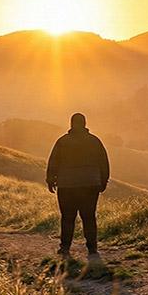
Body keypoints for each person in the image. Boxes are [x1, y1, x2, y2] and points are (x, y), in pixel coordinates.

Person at [46, 112, 109, 262]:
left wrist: (50, 180)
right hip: (90, 183)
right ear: (85, 124)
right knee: (89, 216)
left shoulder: (63, 141)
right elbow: (103, 162)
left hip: (67, 185)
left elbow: (53, 162)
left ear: (71, 124)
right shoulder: (94, 141)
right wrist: (103, 181)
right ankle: (92, 248)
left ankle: (65, 248)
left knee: (68, 217)